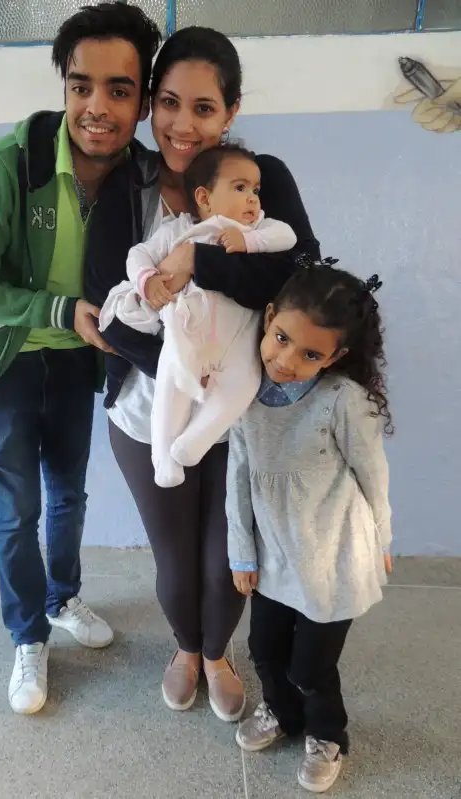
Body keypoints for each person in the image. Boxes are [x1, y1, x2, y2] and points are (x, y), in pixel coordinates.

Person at [83, 27, 321, 722]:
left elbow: (295, 277)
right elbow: (108, 307)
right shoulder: (127, 185)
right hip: (147, 407)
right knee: (176, 557)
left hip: (241, 409)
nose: (182, 124)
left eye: (204, 107)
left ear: (231, 111)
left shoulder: (259, 178)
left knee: (227, 557)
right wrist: (182, 371)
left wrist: (199, 262)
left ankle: (217, 653)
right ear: (151, 106)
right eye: (168, 103)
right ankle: (187, 648)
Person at [0, 2, 161, 715]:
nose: (96, 107)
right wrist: (59, 311)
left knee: (68, 493)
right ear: (64, 86)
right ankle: (27, 635)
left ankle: (62, 597)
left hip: (78, 361)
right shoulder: (7, 166)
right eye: (80, 85)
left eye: (118, 90)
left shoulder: (143, 179)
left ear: (141, 101)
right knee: (18, 509)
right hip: (5, 358)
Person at [227, 260, 393, 793]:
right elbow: (238, 478)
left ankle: (327, 734)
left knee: (311, 668)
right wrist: (241, 553)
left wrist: (382, 539)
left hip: (333, 557)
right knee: (264, 649)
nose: (286, 361)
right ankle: (282, 712)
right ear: (269, 317)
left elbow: (373, 476)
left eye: (311, 355)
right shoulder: (244, 395)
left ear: (336, 357)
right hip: (275, 554)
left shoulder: (342, 402)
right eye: (281, 339)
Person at [99, 143, 296, 488]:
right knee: (173, 378)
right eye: (240, 188)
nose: (252, 199)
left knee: (244, 383)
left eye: (256, 190)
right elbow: (137, 255)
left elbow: (288, 236)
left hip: (237, 339)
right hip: (188, 328)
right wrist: (148, 281)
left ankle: (192, 443)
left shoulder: (256, 230)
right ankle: (164, 457)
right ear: (204, 198)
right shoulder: (178, 230)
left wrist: (249, 243)